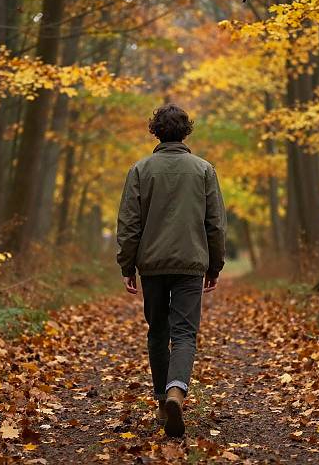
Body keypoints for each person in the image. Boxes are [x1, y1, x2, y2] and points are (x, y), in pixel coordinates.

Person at [116, 103, 226, 437]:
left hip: (151, 265)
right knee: (183, 333)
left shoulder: (140, 170)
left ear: (156, 131)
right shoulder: (204, 169)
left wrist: (127, 264)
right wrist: (215, 264)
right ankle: (177, 390)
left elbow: (129, 223)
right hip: (191, 265)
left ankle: (163, 402)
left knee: (157, 331)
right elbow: (216, 224)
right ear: (186, 131)